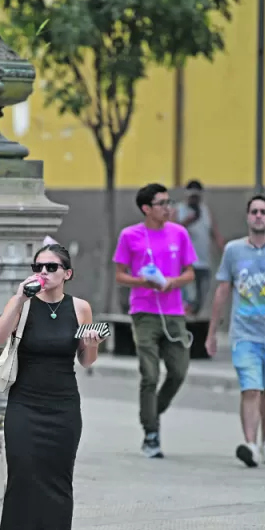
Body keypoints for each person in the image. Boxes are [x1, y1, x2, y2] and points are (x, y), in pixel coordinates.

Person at [0, 241, 102, 530]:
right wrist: (21, 298)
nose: (43, 273)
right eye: (38, 267)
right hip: (24, 401)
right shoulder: (22, 303)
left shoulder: (80, 308)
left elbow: (86, 360)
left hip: (64, 402)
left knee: (58, 474)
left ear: (67, 273)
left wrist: (91, 345)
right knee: (21, 472)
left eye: (51, 268)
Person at [205, 195, 265, 468]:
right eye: (254, 211)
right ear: (248, 217)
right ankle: (250, 445)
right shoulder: (233, 251)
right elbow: (222, 290)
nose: (258, 216)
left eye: (263, 212)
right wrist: (212, 331)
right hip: (243, 335)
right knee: (251, 388)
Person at [114, 182, 198, 459]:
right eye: (162, 203)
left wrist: (172, 282)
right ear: (146, 208)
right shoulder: (130, 235)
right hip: (143, 313)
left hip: (174, 314)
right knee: (150, 374)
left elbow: (190, 273)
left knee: (178, 371)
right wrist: (143, 282)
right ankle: (151, 433)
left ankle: (152, 411)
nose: (168, 208)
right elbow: (120, 274)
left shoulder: (179, 233)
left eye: (169, 202)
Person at [177, 179, 225, 316]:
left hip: (204, 263)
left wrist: (223, 249)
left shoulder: (205, 211)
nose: (194, 200)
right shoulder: (179, 210)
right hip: (186, 264)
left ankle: (190, 325)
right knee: (189, 300)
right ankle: (183, 328)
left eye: (197, 197)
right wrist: (187, 221)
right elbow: (171, 232)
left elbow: (214, 233)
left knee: (200, 299)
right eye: (192, 197)